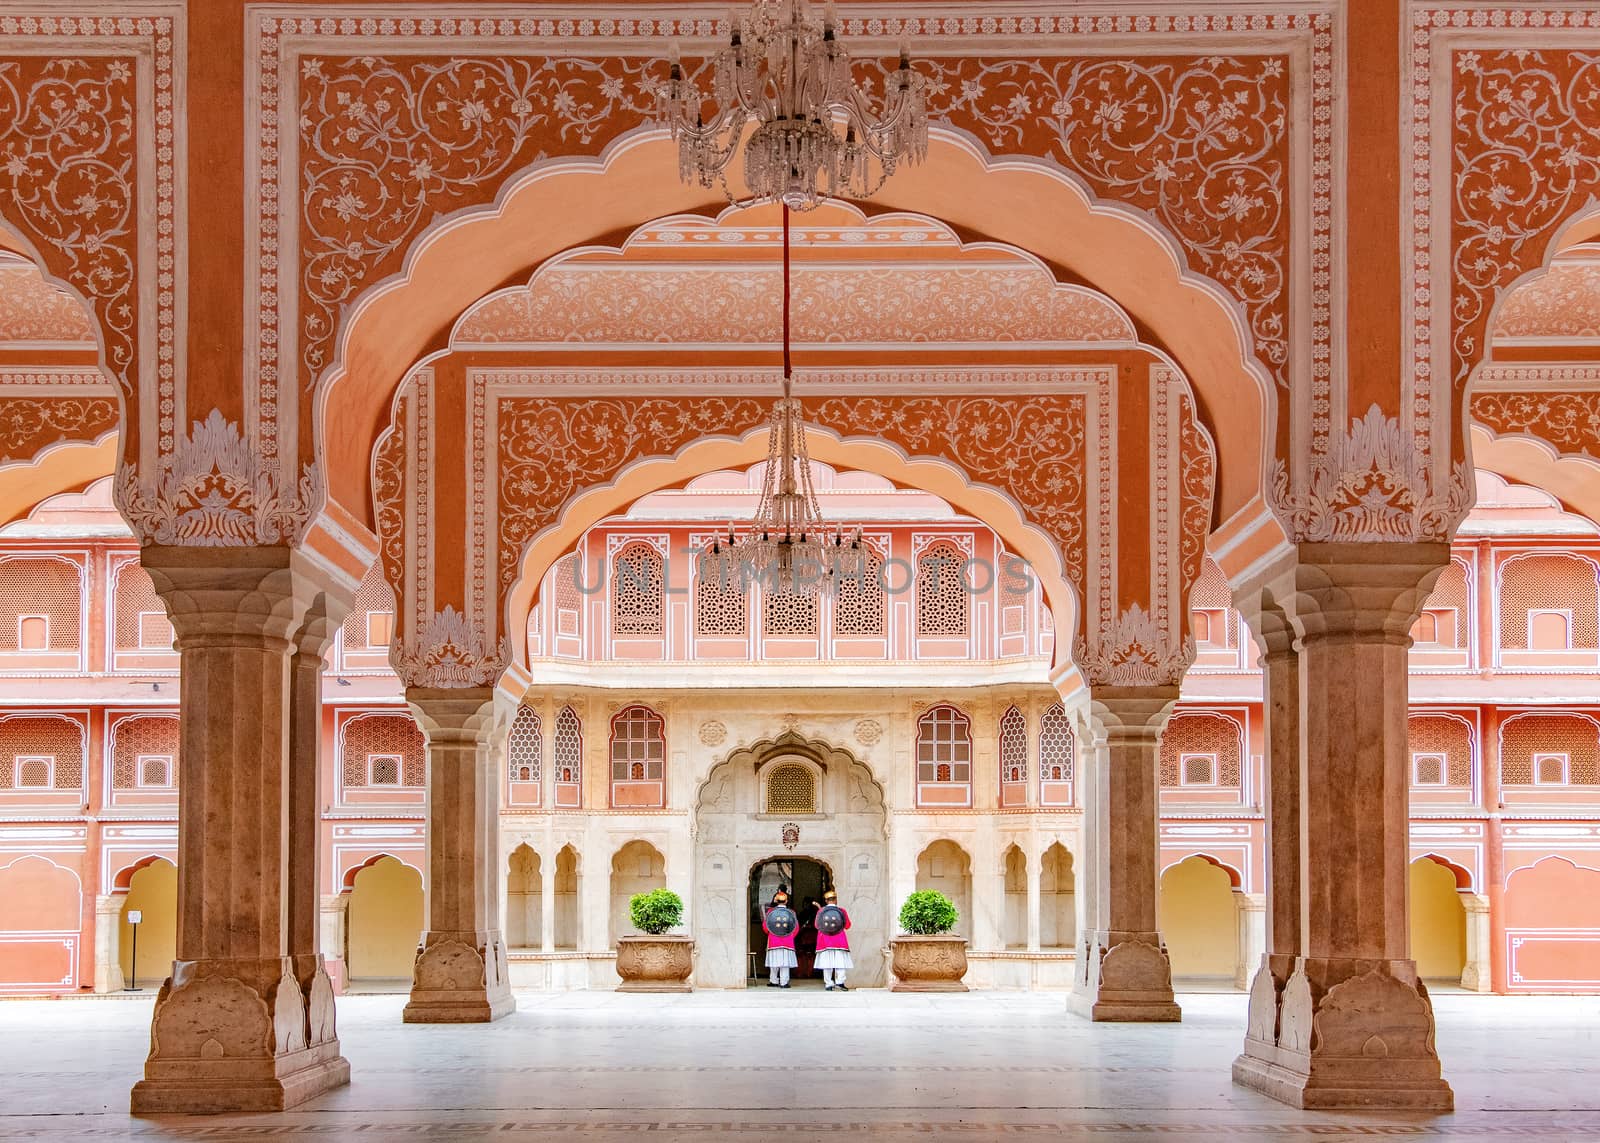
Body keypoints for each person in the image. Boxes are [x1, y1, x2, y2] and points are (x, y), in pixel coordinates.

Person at [814, 888, 852, 992]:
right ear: (835, 900)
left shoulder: (821, 911)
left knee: (827, 964)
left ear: (826, 901)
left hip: (825, 941)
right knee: (840, 963)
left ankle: (828, 984)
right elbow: (848, 925)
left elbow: (817, 925)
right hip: (839, 940)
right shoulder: (842, 911)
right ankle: (840, 982)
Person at [763, 887, 798, 989]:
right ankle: (784, 982)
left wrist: (771, 934)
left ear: (776, 900)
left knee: (774, 961)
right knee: (785, 962)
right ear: (786, 901)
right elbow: (796, 928)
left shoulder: (770, 912)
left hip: (774, 940)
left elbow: (766, 927)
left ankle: (773, 980)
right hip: (787, 941)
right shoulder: (792, 912)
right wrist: (790, 936)